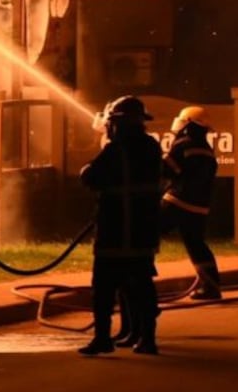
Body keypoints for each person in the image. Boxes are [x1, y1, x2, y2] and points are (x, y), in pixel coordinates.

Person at [78, 95, 163, 356]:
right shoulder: (151, 147)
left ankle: (103, 338)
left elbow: (90, 176)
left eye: (111, 123)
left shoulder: (115, 150)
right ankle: (147, 338)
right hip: (142, 230)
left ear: (118, 124)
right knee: (142, 286)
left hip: (114, 230)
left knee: (103, 288)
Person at [161, 105, 222, 300]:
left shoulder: (182, 144)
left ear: (187, 124)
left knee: (145, 233)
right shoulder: (207, 149)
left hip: (177, 200)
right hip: (199, 206)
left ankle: (134, 282)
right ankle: (211, 287)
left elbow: (167, 171)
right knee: (197, 244)